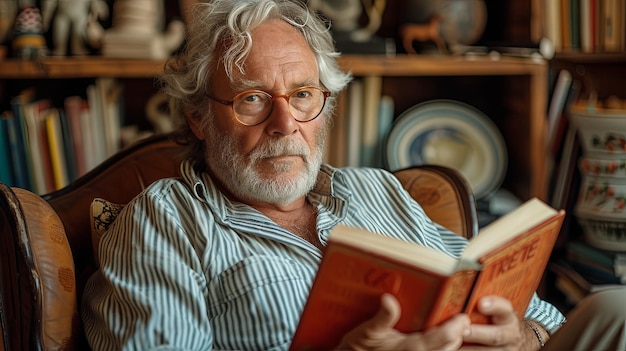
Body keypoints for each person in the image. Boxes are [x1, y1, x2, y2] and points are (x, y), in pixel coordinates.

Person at [81, 0, 626, 350]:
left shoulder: (380, 191)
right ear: (199, 116)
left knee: (612, 309)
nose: (284, 124)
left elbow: (540, 317)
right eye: (252, 99)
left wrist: (521, 338)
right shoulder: (165, 220)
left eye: (302, 95)